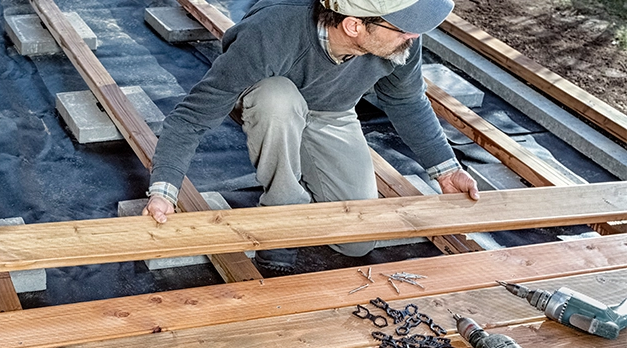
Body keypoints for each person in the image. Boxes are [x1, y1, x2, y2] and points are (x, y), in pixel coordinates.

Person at [142, 0, 480, 272]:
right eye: (405, 28)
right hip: (270, 100)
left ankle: (307, 183)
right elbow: (190, 118)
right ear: (354, 25)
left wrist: (446, 169)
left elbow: (406, 100)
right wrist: (164, 190)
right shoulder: (272, 32)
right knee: (278, 99)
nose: (414, 36)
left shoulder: (399, 41)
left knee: (357, 241)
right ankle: (282, 218)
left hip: (332, 112)